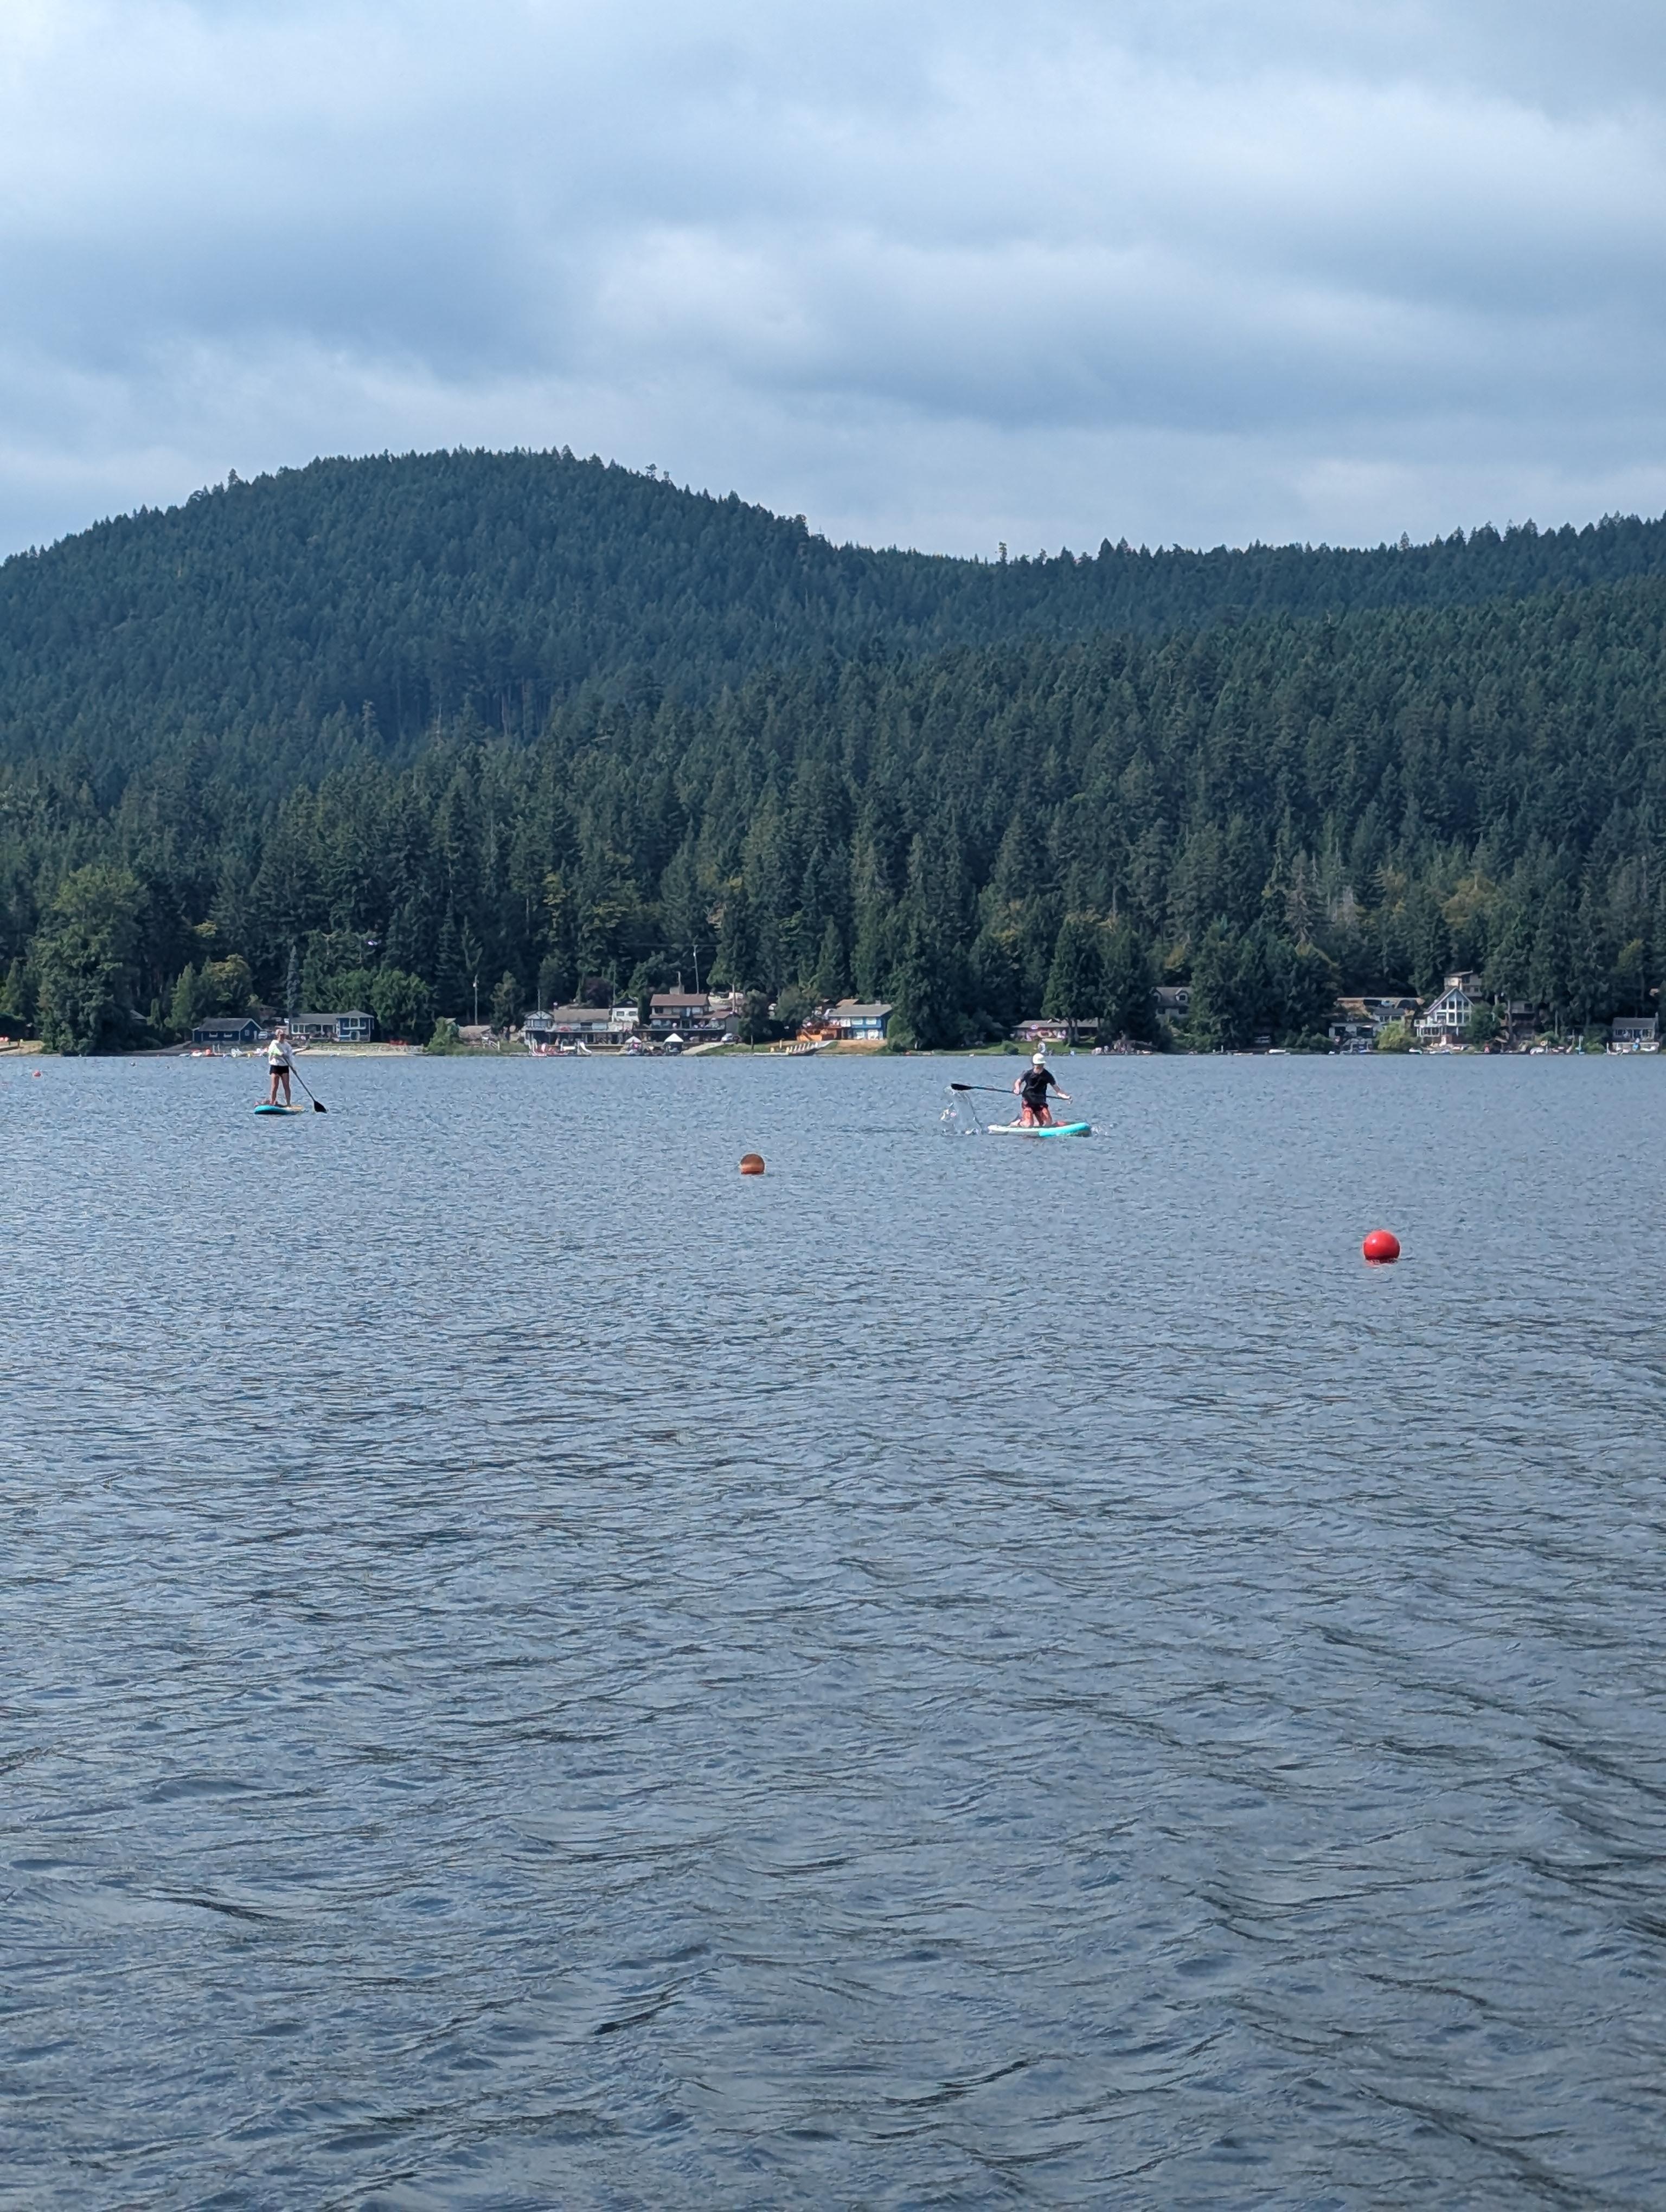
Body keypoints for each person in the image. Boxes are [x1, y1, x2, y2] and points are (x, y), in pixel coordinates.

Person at [1015, 1047, 1071, 1126]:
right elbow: (1018, 1082)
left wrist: (1066, 1097)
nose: (1040, 1067)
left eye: (1041, 1065)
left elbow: (1057, 1090)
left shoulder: (1048, 1075)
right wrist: (1017, 1089)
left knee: (1048, 1123)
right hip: (1028, 1102)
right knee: (1028, 1125)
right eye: (1038, 1065)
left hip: (1040, 1103)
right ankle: (1019, 1123)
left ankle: (1039, 1123)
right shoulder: (1027, 1073)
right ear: (1034, 1064)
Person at [266, 1023, 294, 1106]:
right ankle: (273, 1102)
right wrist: (279, 1053)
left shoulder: (287, 1046)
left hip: (284, 1067)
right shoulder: (274, 1043)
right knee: (275, 1086)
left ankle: (288, 1104)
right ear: (278, 1036)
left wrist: (293, 1067)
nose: (283, 1037)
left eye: (284, 1035)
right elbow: (273, 1051)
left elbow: (290, 1056)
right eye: (281, 1035)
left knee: (286, 1086)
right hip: (275, 1067)